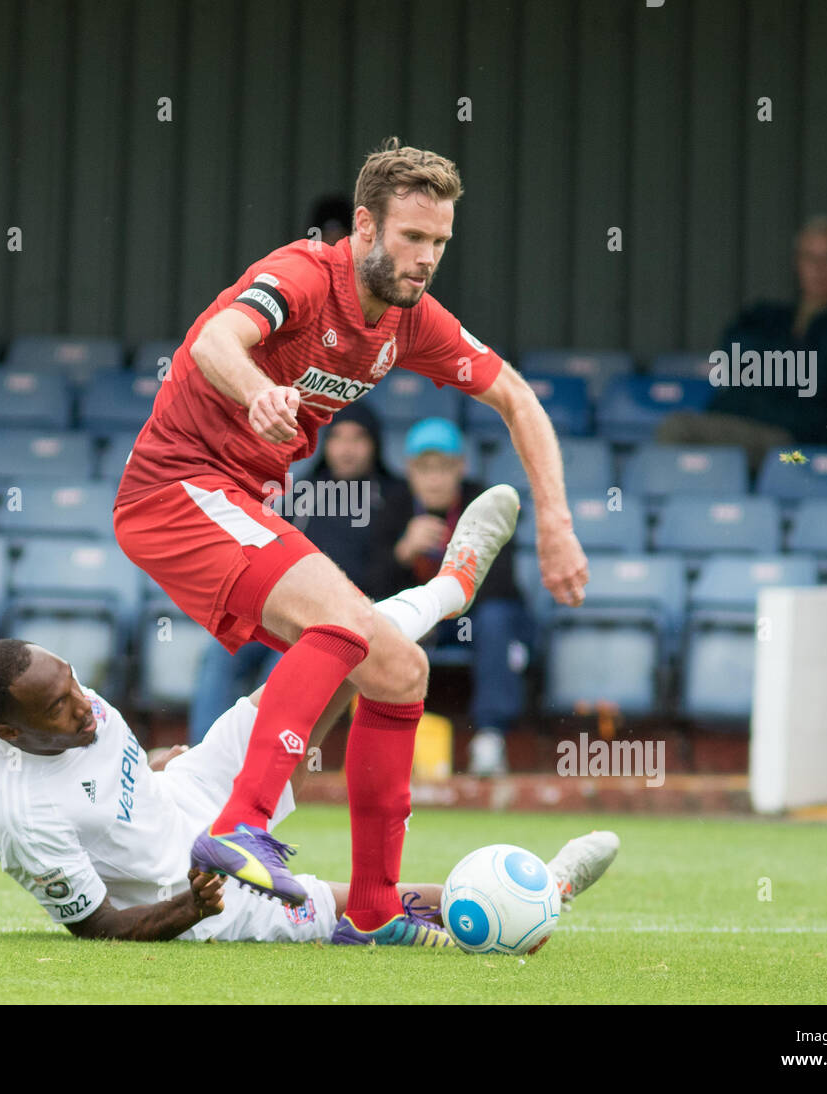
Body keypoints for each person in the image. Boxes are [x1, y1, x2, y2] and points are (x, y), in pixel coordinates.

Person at [113, 138, 588, 945]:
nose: (426, 258)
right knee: (343, 621)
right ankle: (241, 824)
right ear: (365, 227)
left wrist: (557, 520)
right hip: (178, 491)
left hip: (236, 503)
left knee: (397, 667)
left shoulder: (412, 320)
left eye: (439, 242)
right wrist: (262, 392)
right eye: (411, 238)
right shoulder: (303, 275)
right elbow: (213, 343)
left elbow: (515, 396)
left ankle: (372, 911)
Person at [0, 559, 618, 944]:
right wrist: (189, 907)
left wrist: (157, 760)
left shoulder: (54, 694)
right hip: (206, 891)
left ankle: (450, 585)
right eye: (58, 707)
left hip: (192, 785)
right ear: (14, 733)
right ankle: (541, 892)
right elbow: (98, 929)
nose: (82, 704)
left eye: (75, 682)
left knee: (333, 641)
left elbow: (102, 770)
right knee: (364, 912)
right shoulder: (23, 815)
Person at [185, 401, 406, 745]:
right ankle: (202, 751)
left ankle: (260, 753)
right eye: (338, 438)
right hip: (284, 607)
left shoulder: (396, 495)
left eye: (358, 438)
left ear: (375, 444)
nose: (347, 449)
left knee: (288, 656)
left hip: (346, 616)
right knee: (221, 652)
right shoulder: (300, 492)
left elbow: (394, 575)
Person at [658, 216, 827, 463]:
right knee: (685, 438)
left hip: (798, 453)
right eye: (810, 258)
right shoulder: (767, 316)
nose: (818, 268)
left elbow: (816, 385)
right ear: (797, 263)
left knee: (680, 431)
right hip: (743, 431)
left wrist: (761, 368)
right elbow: (733, 353)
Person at [384, 418, 529, 777]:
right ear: (409, 470)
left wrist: (455, 571)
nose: (434, 478)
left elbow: (502, 583)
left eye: (444, 467)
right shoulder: (393, 506)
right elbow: (369, 582)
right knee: (374, 619)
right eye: (424, 468)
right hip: (419, 618)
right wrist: (403, 552)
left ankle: (489, 738)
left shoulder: (485, 502)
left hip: (469, 618)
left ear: (460, 468)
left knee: (497, 619)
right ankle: (385, 743)